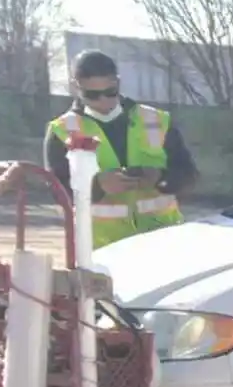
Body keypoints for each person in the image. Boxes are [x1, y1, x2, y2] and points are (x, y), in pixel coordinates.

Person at [44, 50, 198, 246]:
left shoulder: (156, 120)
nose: (103, 101)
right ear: (76, 87)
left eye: (110, 92)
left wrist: (160, 177)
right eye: (92, 95)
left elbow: (189, 176)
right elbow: (59, 193)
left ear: (117, 82)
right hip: (103, 248)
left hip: (163, 240)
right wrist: (98, 186)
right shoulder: (61, 130)